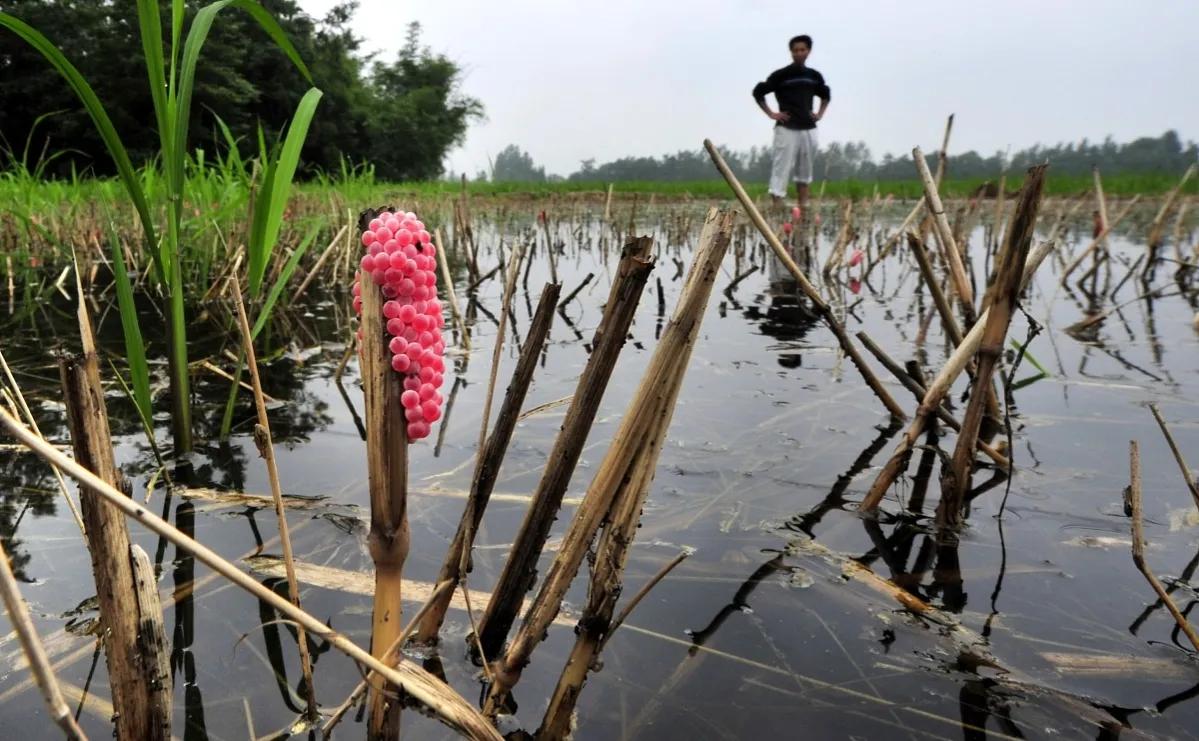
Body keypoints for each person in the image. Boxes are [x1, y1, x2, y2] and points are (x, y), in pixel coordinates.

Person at [752, 35, 830, 220]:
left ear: (808, 51)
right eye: (795, 50)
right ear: (791, 52)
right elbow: (759, 92)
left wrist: (819, 114)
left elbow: (825, 94)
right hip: (786, 128)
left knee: (805, 171)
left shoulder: (814, 76)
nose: (799, 53)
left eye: (802, 49)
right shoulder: (781, 75)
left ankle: (803, 210)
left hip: (809, 128)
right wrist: (771, 113)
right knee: (781, 168)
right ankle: (777, 209)